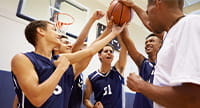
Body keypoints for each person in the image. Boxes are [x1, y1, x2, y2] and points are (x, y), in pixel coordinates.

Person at [11, 19, 126, 108]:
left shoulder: (62, 59)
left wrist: (112, 33)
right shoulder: (22, 59)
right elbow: (37, 98)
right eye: (54, 29)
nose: (59, 33)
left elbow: (90, 51)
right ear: (40, 31)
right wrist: (60, 70)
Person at [120, 0, 200, 108]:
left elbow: (193, 98)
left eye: (148, 12)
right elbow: (149, 23)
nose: (148, 19)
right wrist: (133, 6)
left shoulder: (189, 24)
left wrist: (141, 86)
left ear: (158, 3)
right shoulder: (172, 32)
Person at [83, 28, 127, 108]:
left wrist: (119, 33)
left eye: (111, 52)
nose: (109, 53)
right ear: (99, 55)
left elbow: (124, 47)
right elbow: (86, 99)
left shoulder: (118, 69)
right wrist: (93, 107)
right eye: (106, 51)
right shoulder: (91, 78)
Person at [121, 27, 162, 108]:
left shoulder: (166, 66)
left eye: (151, 41)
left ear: (161, 44)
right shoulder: (143, 63)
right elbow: (127, 41)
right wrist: (123, 25)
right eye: (146, 42)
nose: (147, 43)